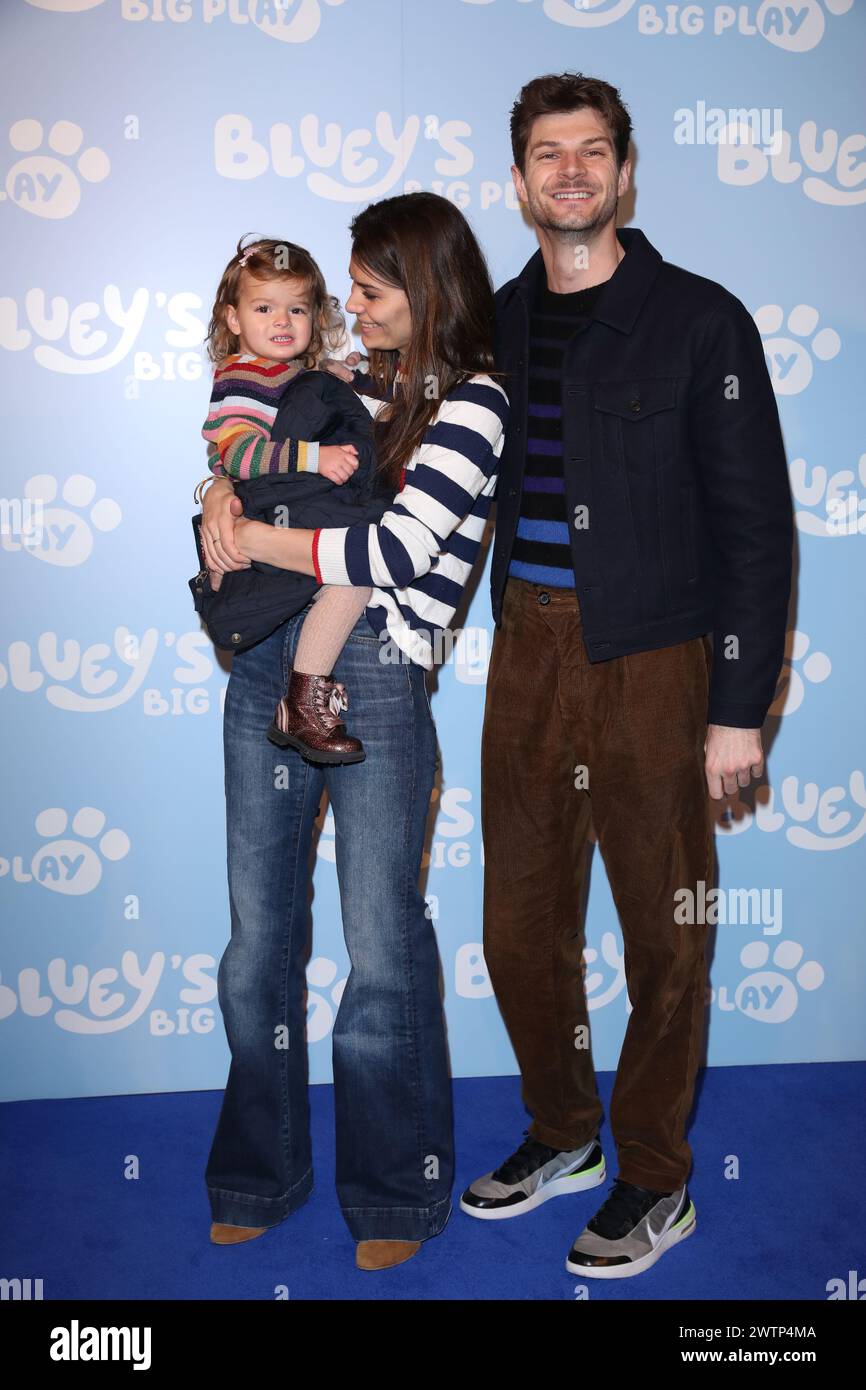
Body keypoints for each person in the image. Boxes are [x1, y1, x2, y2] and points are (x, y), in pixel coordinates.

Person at [459, 73, 793, 1279]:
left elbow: (757, 529)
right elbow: (386, 440)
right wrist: (225, 483)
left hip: (656, 657)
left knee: (666, 934)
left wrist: (734, 708)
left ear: (624, 172)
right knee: (517, 925)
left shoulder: (701, 322)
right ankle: (563, 1133)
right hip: (524, 651)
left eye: (590, 151)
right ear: (517, 180)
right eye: (546, 154)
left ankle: (655, 1175)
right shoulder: (487, 324)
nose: (569, 172)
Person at [198, 191, 509, 1270]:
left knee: (379, 948)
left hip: (375, 678)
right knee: (255, 947)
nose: (346, 311)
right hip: (263, 664)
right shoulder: (344, 387)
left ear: (419, 288)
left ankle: (391, 1192)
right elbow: (252, 446)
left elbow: (386, 558)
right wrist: (214, 491)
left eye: (367, 291)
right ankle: (256, 1170)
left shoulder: (473, 403)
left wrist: (248, 530)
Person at [197, 234, 384, 762]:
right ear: (233, 319)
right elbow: (236, 456)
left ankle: (303, 700)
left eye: (296, 309)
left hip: (284, 531)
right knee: (352, 580)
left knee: (350, 580)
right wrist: (314, 458)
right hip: (264, 540)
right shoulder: (243, 376)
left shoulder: (294, 375)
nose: (282, 322)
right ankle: (305, 701)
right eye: (264, 308)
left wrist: (343, 376)